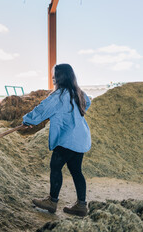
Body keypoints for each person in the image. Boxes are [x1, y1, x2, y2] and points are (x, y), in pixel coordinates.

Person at [22, 63, 91, 217]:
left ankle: (52, 201)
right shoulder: (79, 93)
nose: (53, 78)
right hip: (80, 138)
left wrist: (28, 120)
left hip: (67, 139)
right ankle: (81, 205)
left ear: (62, 77)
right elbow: (88, 102)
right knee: (76, 171)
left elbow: (42, 109)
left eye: (55, 75)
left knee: (55, 166)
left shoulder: (59, 95)